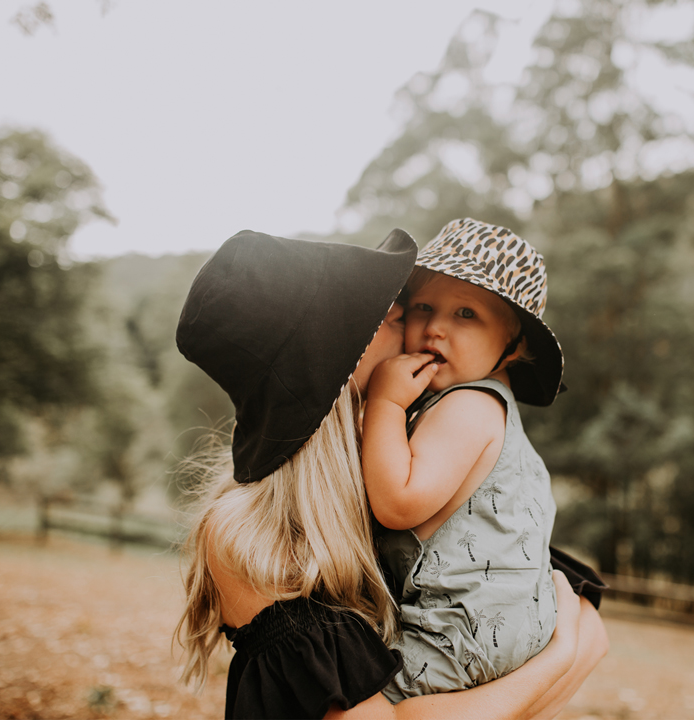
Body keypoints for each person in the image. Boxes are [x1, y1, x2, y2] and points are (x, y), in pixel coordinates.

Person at [173, 227, 608, 719]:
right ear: (339, 355)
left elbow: (578, 616)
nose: (415, 321)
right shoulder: (252, 543)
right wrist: (556, 661)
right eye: (388, 309)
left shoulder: (437, 449)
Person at [361, 218, 568, 701]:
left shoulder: (469, 406)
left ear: (513, 346)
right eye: (424, 307)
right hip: (490, 627)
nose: (435, 327)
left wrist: (384, 404)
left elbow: (397, 504)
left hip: (458, 632)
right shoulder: (481, 406)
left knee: (357, 704)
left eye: (466, 315)